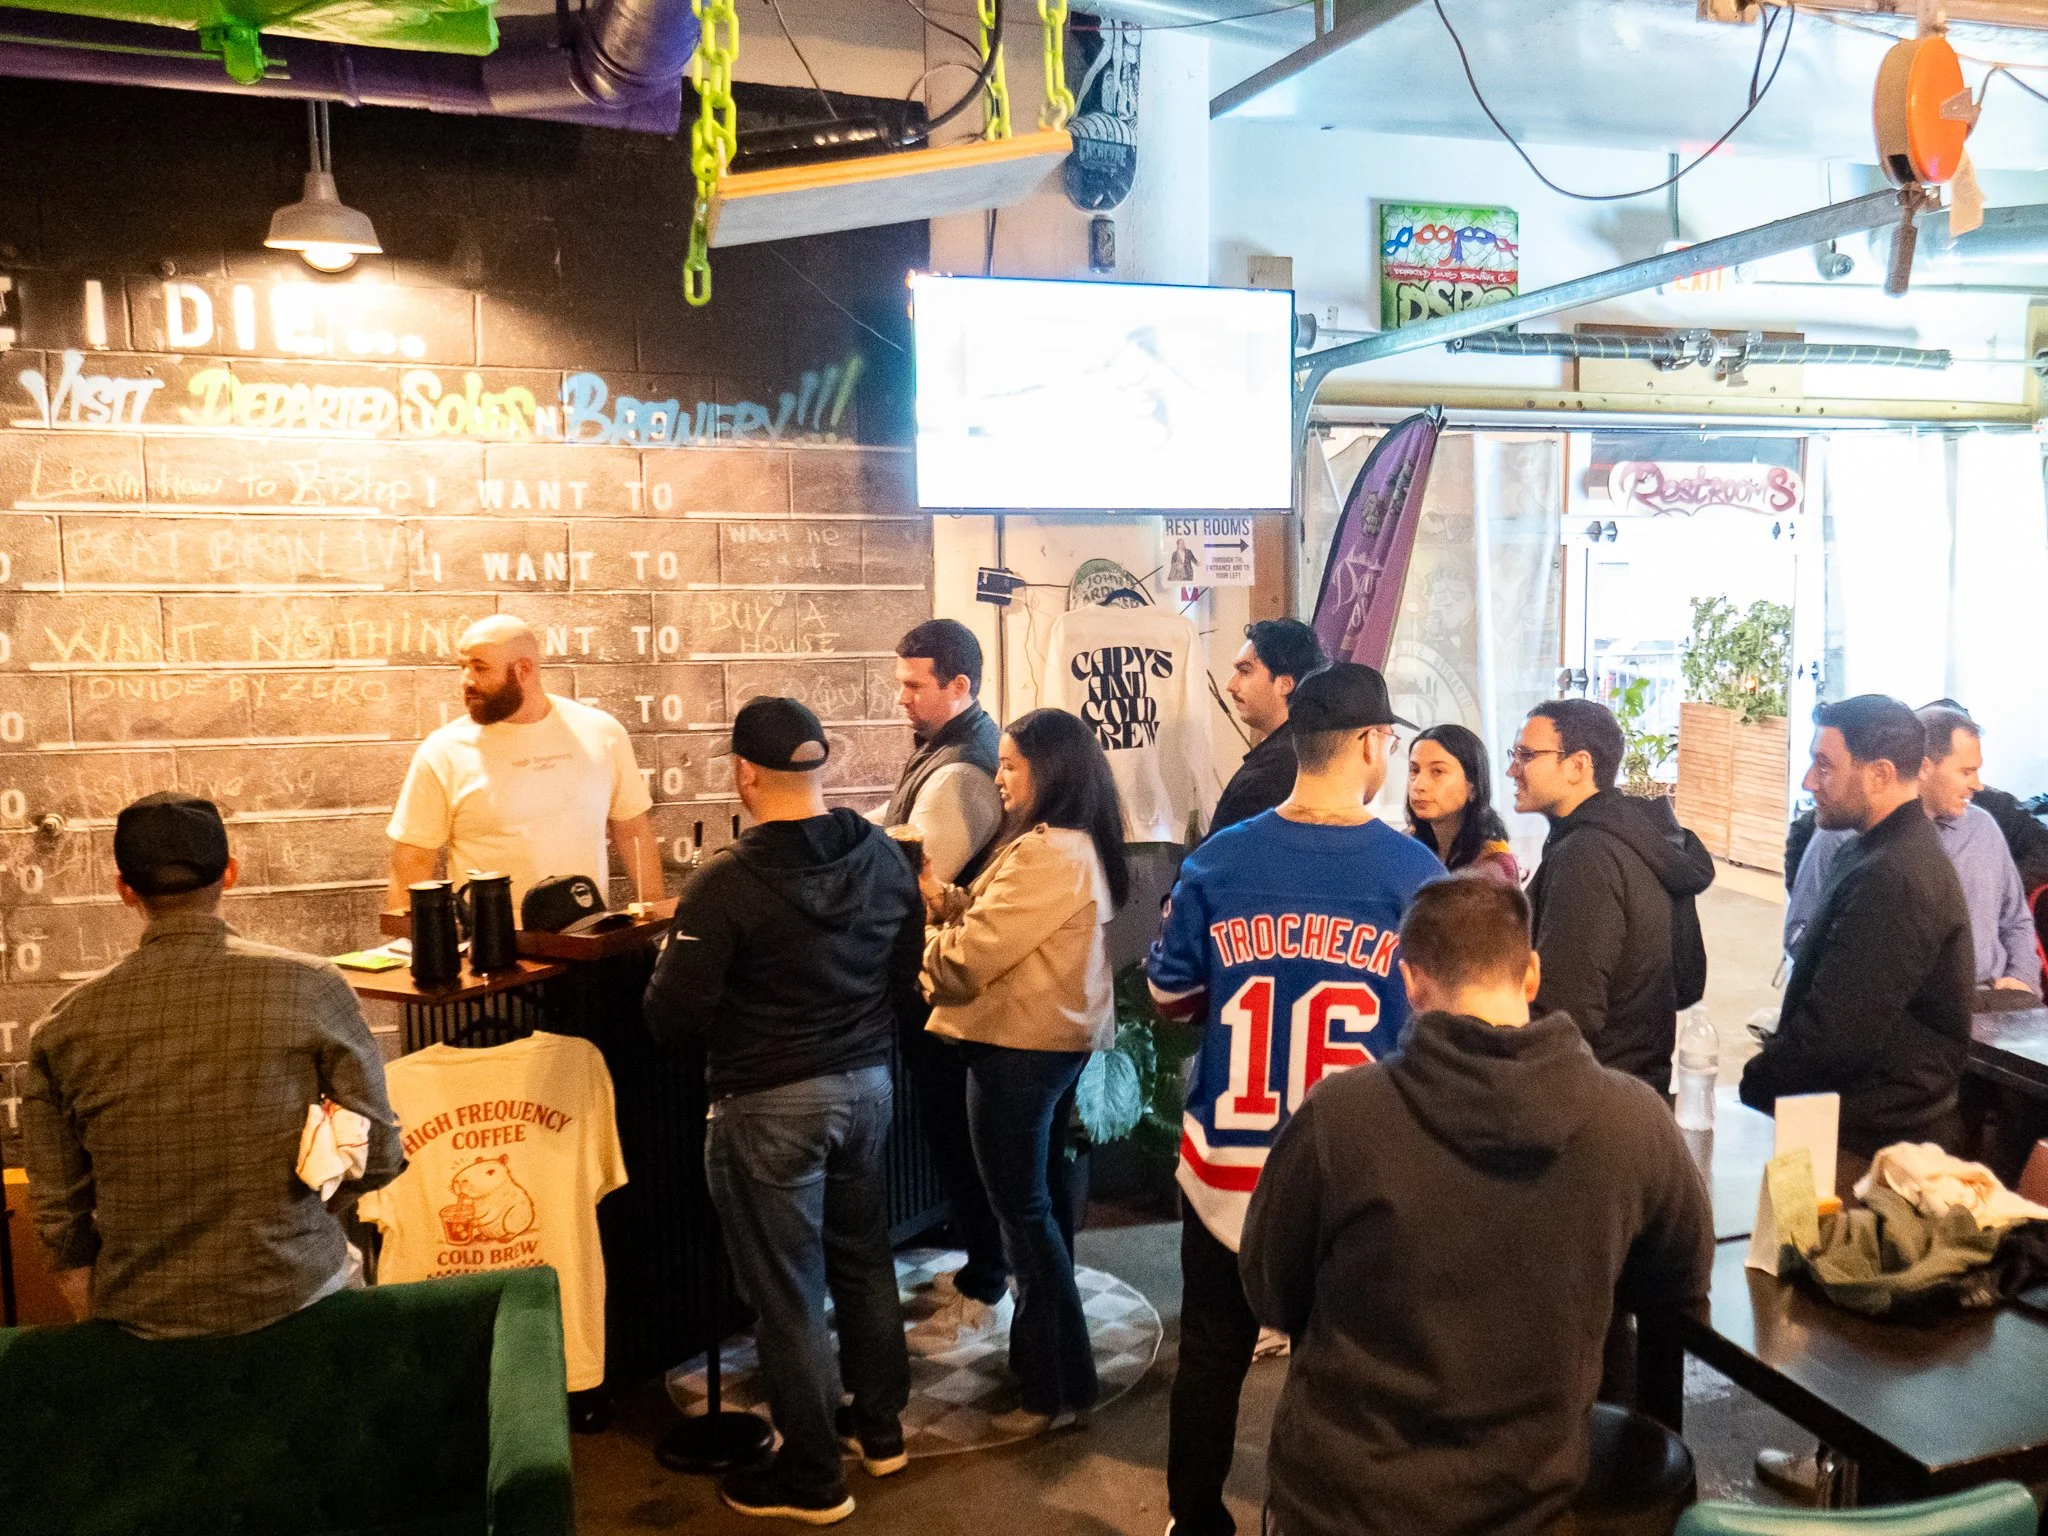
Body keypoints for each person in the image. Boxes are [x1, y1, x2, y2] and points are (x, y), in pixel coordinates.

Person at [1239, 877, 1713, 1536]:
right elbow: (1681, 1286)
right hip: (1530, 1507)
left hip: (1340, 1507)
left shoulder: (1338, 1119)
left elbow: (1269, 1291)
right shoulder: (1634, 1122)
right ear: (1531, 973)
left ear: (1410, 981)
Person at [1147, 662, 1444, 1536]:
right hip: (1356, 1171)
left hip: (1225, 1168)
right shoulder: (1413, 871)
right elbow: (1434, 1020)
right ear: (1367, 745)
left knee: (1209, 1355)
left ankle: (1195, 1521)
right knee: (1343, 1368)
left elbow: (1170, 997)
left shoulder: (1219, 858)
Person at [644, 697, 921, 1525]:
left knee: (789, 1296)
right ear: (820, 762)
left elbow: (670, 1016)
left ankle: (812, 1481)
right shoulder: (879, 853)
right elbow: (904, 970)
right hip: (867, 1089)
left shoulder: (725, 881)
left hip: (768, 1105)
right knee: (865, 1262)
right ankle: (880, 1431)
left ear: (743, 773)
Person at [21, 792, 403, 1338]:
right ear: (230, 874)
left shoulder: (60, 1027)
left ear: (124, 890)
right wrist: (304, 1214)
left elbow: (60, 1215)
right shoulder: (312, 986)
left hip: (141, 1316)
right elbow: (382, 1154)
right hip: (297, 1294)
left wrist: (95, 1314)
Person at [921, 708, 1128, 1438]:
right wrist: (942, 899)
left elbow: (969, 958)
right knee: (1032, 1213)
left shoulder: (1051, 853)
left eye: (1010, 766)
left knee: (1024, 1218)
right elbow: (993, 920)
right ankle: (1059, 1376)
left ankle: (1048, 1391)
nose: (999, 779)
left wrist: (925, 944)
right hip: (1040, 1048)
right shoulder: (1060, 847)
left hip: (1019, 1051)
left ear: (1052, 772)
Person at [1741, 696, 1974, 1155]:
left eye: (1824, 766)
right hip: (1850, 1124)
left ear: (1880, 774)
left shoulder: (1895, 875)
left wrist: (1753, 1084)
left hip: (1874, 1148)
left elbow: (1834, 1039)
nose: (1809, 782)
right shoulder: (1872, 851)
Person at [877, 619, 1011, 1340]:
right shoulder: (945, 753)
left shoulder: (960, 770)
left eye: (913, 685)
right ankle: (985, 1268)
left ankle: (988, 1279)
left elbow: (918, 878)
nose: (900, 697)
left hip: (945, 988)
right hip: (944, 984)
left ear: (959, 686)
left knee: (961, 1142)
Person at [387, 614, 662, 911]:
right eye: (463, 666)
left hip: (587, 938)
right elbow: (413, 858)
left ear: (523, 669)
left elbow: (633, 831)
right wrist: (408, 946)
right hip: (491, 946)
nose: (466, 680)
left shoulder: (600, 732)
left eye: (480, 667)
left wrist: (660, 924)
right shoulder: (443, 750)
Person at [1509, 699, 1715, 1092]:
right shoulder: (1640, 837)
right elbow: (1687, 981)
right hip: (1636, 1091)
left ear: (1578, 766)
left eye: (1526, 755)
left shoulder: (1587, 856)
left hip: (1595, 1097)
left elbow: (1566, 1014)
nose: (1512, 769)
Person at [1786, 706, 2040, 1005]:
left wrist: (2022, 980)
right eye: (1966, 771)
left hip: (1991, 1000)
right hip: (1894, 1011)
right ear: (1924, 767)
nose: (1978, 784)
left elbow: (2016, 921)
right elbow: (1798, 933)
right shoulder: (1841, 836)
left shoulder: (1983, 829)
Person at [1209, 618, 1327, 835]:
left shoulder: (1277, 766)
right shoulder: (1301, 749)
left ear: (1284, 683)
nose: (1230, 685)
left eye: (1245, 671)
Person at [1406, 721, 1520, 884]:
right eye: (1414, 770)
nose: (1418, 785)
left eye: (1437, 771)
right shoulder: (1405, 845)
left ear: (1472, 786)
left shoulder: (1495, 864)